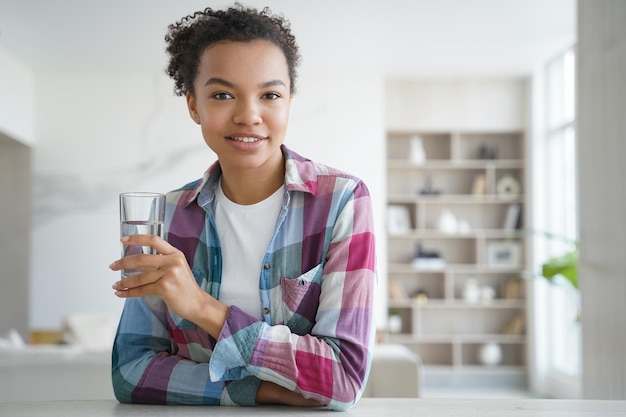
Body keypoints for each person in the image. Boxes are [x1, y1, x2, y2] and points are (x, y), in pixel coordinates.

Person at [108, 4, 376, 411]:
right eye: (222, 95)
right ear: (194, 106)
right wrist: (259, 391)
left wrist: (202, 308)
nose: (249, 115)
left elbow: (342, 379)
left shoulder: (342, 201)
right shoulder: (166, 215)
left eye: (270, 94)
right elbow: (130, 372)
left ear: (289, 101)